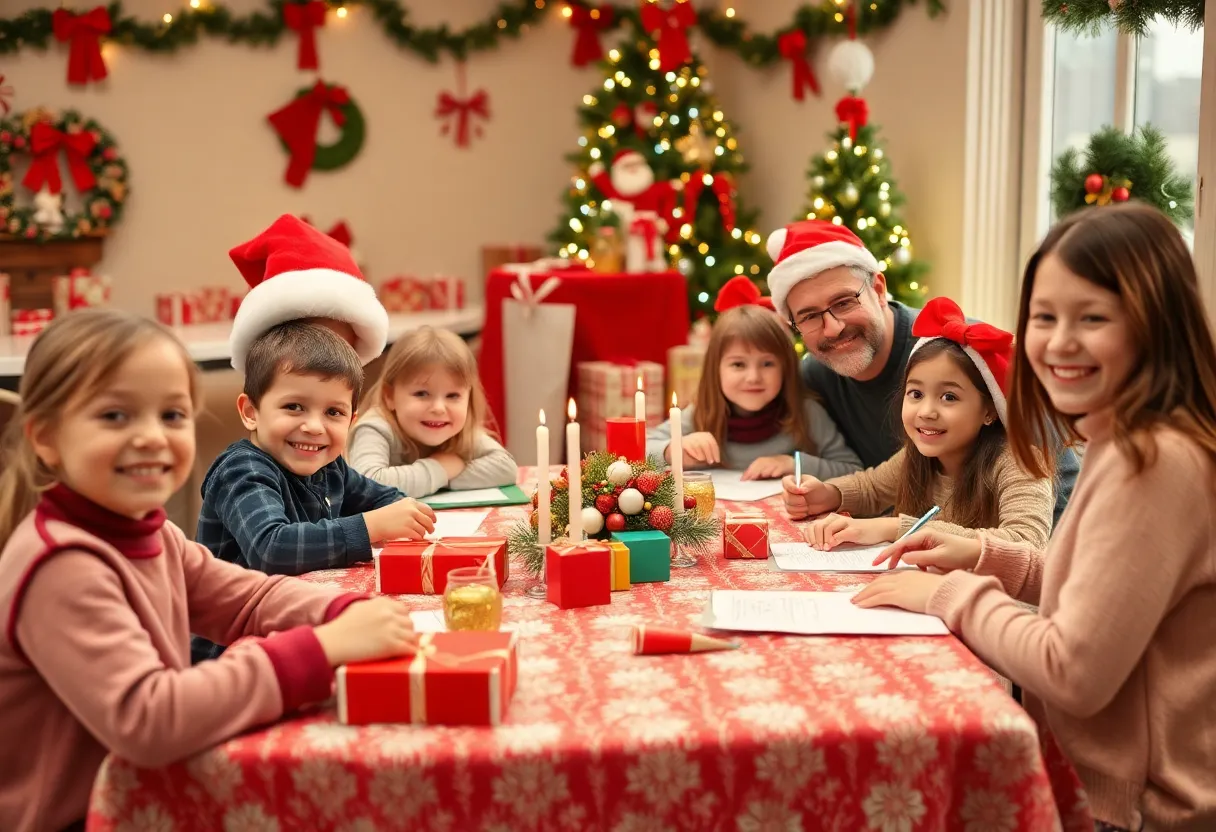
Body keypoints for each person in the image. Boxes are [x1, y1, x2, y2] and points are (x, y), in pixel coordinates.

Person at [854, 203, 1216, 832]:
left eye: (1093, 318)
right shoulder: (1120, 434)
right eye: (1044, 318)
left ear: (1154, 324)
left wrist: (951, 593)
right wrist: (980, 554)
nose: (1058, 342)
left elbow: (1071, 671)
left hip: (1146, 810)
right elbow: (1100, 590)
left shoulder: (1154, 461)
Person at [0, 311, 419, 832]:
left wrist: (344, 609)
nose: (152, 437)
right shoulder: (61, 565)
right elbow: (149, 718)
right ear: (44, 437)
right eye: (115, 416)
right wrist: (321, 648)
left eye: (172, 416)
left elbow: (247, 599)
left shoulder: (148, 533)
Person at [766, 219, 1078, 523]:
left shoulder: (962, 352)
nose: (832, 328)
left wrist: (1049, 566)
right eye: (809, 317)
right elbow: (873, 484)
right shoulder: (816, 376)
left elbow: (1057, 475)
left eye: (845, 302)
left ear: (878, 289)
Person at [793, 297, 1053, 550]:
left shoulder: (1020, 462)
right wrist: (828, 493)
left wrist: (897, 528)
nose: (927, 412)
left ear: (990, 411)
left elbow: (1025, 542)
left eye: (949, 397)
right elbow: (870, 487)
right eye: (916, 394)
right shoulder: (918, 454)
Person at [646, 276, 861, 480]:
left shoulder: (806, 413)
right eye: (738, 364)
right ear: (716, 369)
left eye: (767, 364)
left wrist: (793, 464)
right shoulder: (700, 414)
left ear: (785, 368)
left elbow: (852, 470)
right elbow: (638, 451)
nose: (753, 377)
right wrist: (672, 450)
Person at [348, 326, 516, 497]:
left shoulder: (462, 431)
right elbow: (367, 486)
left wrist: (440, 479)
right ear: (389, 396)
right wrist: (441, 467)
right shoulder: (375, 427)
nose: (438, 408)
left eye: (452, 395)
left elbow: (506, 468)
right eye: (421, 394)